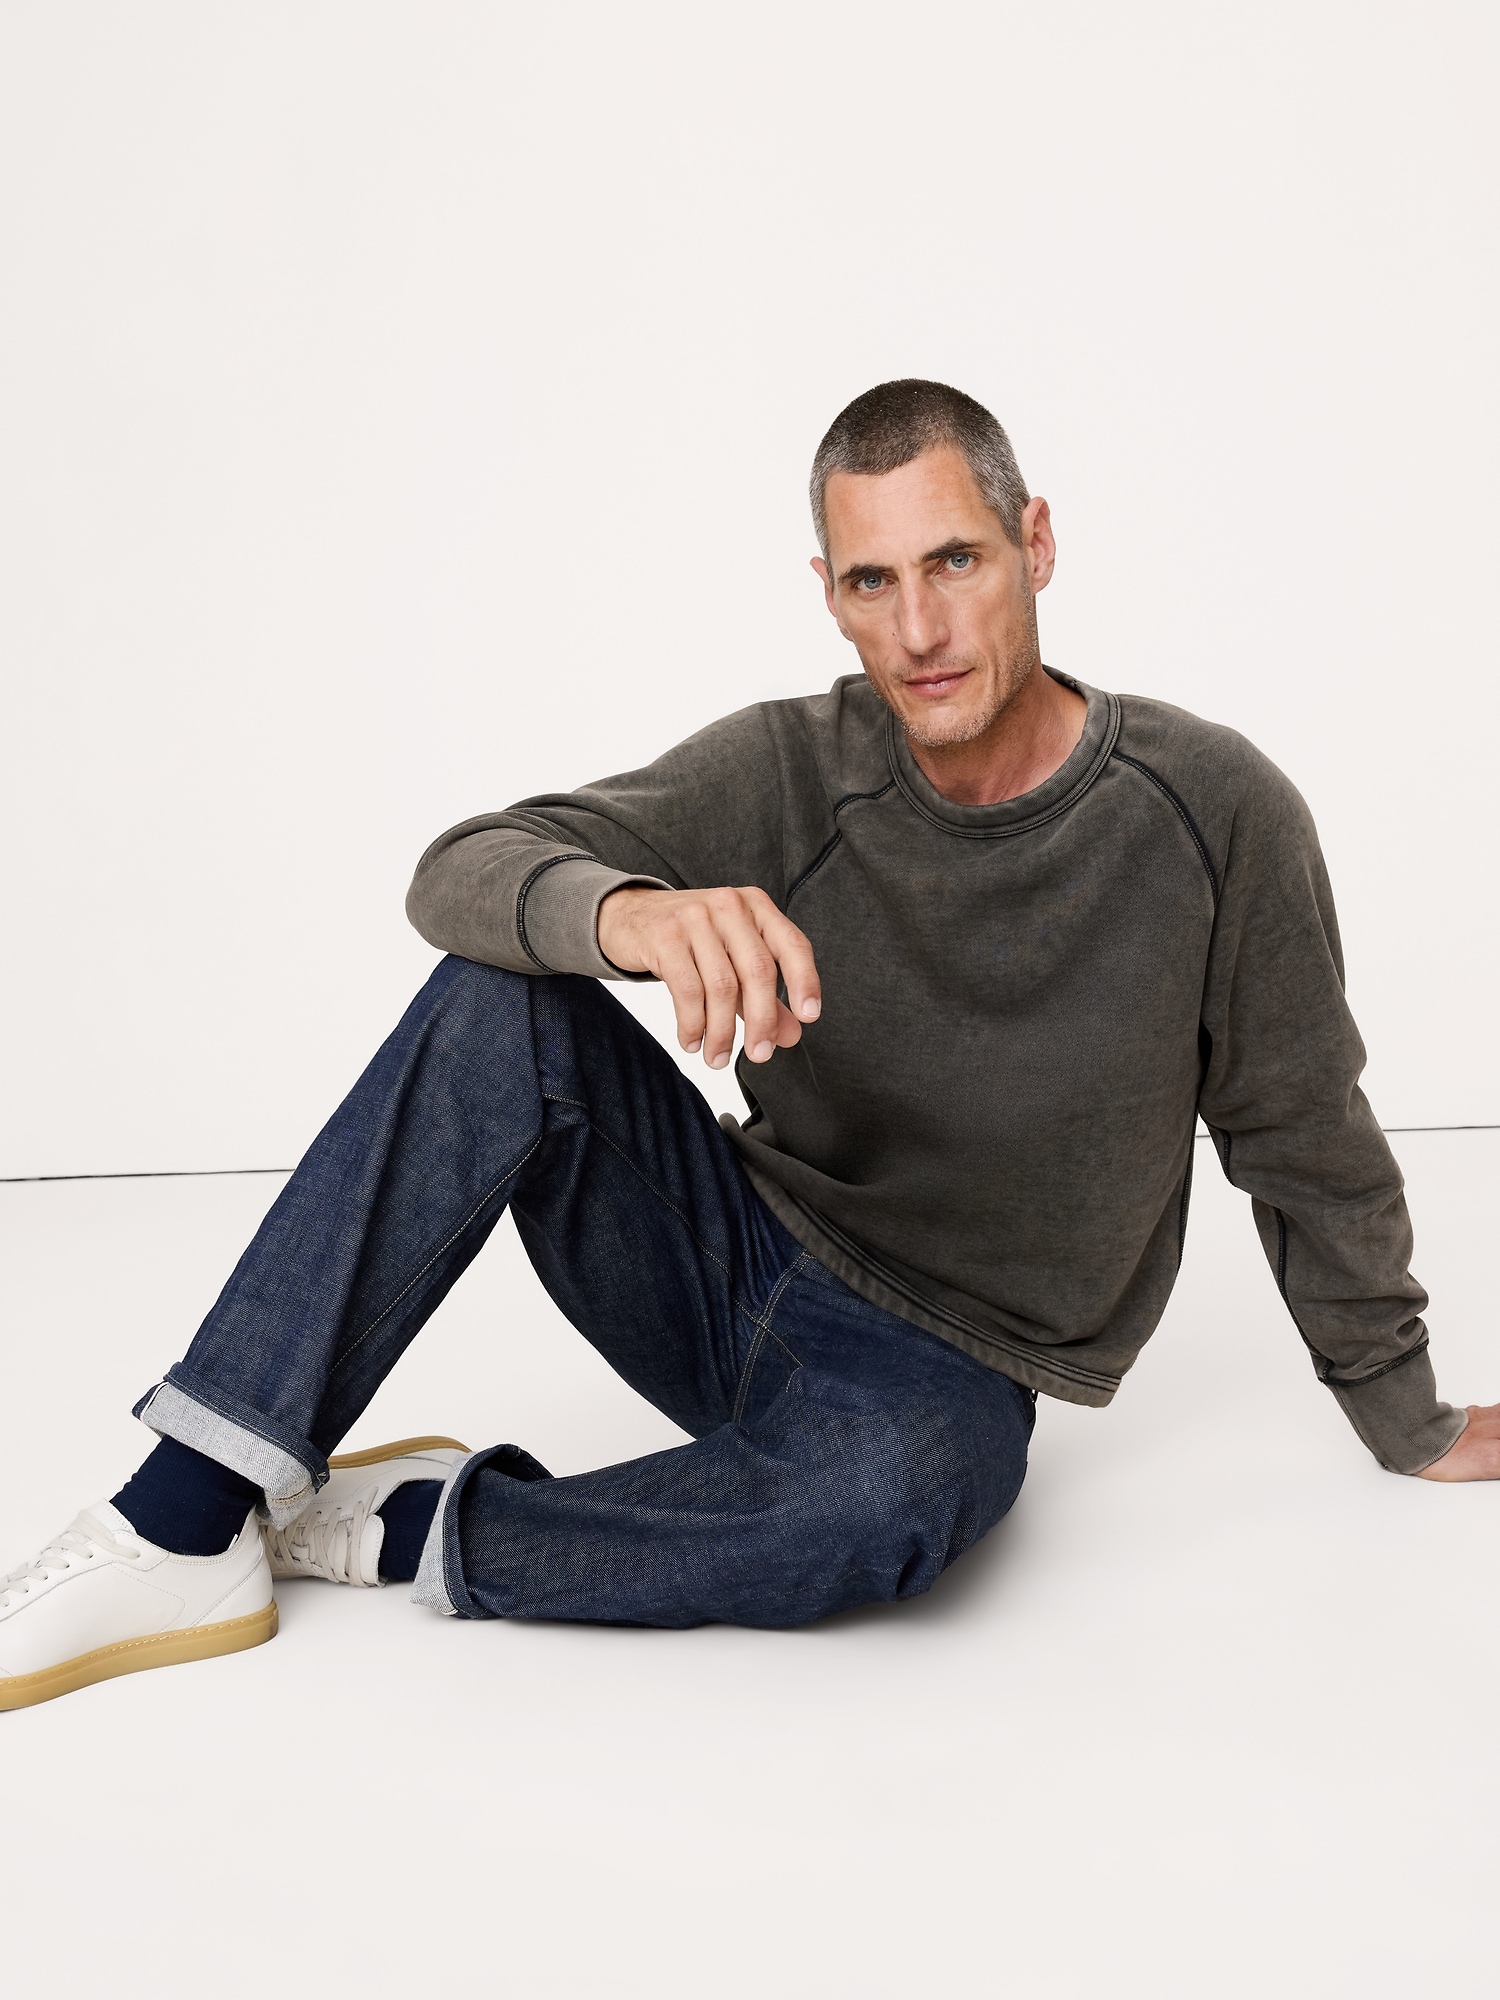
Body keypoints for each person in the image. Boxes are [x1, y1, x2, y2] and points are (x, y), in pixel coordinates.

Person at [5, 378, 1496, 1712]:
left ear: (1036, 544)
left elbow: (1299, 1124)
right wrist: (629, 914)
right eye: (873, 581)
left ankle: (415, 1526)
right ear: (829, 596)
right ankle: (178, 1521)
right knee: (503, 996)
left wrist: (1403, 1411)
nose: (920, 630)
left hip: (949, 1373)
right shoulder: (793, 766)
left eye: (957, 562)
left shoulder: (1215, 810)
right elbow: (459, 869)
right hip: (726, 1265)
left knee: (898, 1503)